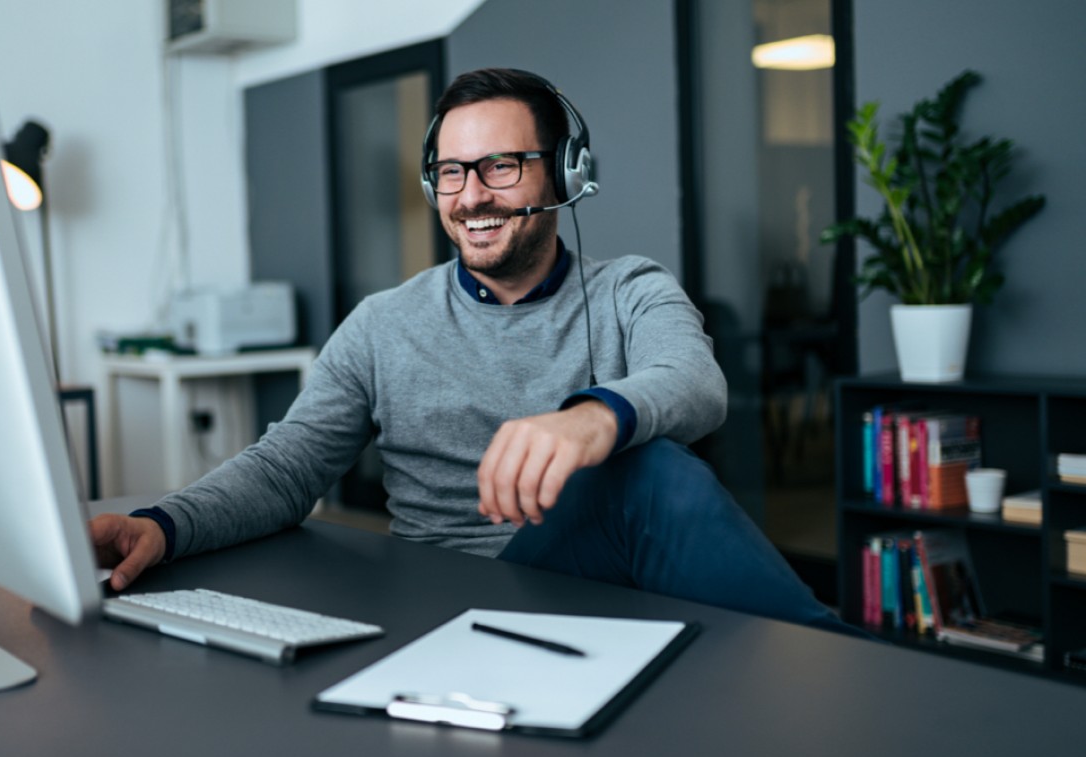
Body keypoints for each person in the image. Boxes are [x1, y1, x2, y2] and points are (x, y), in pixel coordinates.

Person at [92, 67, 850, 635]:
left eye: (501, 166)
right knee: (642, 473)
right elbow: (287, 466)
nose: (471, 195)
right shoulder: (383, 323)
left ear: (565, 173)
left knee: (641, 471)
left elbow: (695, 380)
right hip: (448, 600)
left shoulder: (631, 289)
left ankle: (840, 666)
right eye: (452, 172)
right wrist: (163, 524)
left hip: (598, 583)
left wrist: (593, 419)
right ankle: (847, 661)